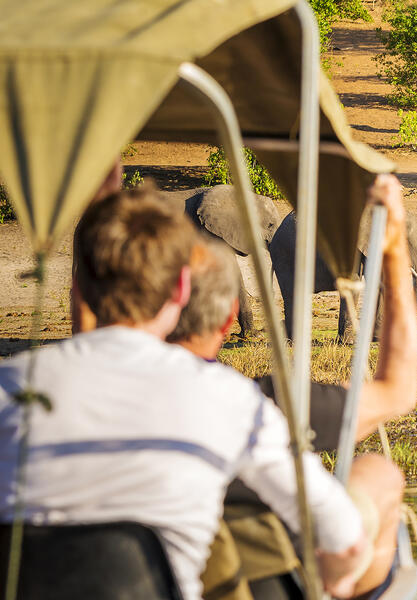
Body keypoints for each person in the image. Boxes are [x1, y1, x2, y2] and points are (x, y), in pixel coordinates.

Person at [0, 187, 371, 599]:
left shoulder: (7, 387)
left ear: (77, 289)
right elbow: (344, 535)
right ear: (181, 289)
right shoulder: (228, 400)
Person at [168, 174, 417, 599]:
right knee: (377, 473)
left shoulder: (22, 398)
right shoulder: (254, 409)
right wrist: (392, 249)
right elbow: (398, 389)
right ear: (230, 318)